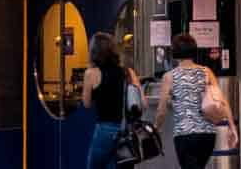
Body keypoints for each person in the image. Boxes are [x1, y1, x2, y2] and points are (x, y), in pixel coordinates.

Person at [148, 34, 223, 169]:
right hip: (208, 135)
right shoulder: (206, 71)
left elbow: (161, 110)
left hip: (185, 135)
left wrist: (156, 128)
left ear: (174, 52)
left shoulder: (170, 76)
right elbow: (220, 99)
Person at [79, 31, 136, 168]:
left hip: (104, 130)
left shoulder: (91, 73)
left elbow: (86, 103)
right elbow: (141, 103)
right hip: (125, 130)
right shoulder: (127, 72)